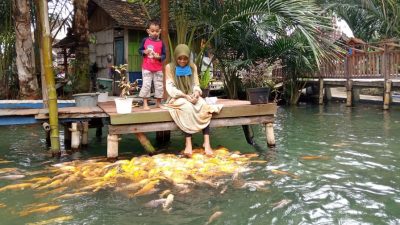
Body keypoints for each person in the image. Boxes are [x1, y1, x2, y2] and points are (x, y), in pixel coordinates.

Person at [163, 44, 223, 156]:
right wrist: (184, 96)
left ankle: (206, 143)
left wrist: (196, 94)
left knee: (204, 106)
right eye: (179, 58)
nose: (182, 61)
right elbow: (170, 87)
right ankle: (188, 143)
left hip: (191, 95)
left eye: (185, 58)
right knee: (187, 107)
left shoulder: (192, 66)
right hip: (177, 97)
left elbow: (196, 84)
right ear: (175, 57)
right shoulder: (169, 67)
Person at [138, 19, 166, 110]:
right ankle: (145, 104)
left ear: (160, 31)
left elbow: (164, 55)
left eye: (157, 31)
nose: (155, 33)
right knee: (146, 85)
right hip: (147, 68)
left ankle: (158, 103)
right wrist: (144, 51)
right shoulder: (145, 40)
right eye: (152, 31)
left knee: (159, 85)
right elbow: (139, 50)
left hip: (158, 68)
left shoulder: (161, 43)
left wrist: (159, 57)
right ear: (148, 31)